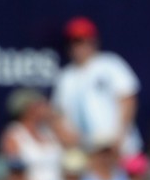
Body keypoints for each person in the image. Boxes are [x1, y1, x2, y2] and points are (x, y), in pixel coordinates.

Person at [51, 17, 142, 156]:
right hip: (86, 152)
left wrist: (120, 137)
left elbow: (128, 99)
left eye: (82, 41)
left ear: (93, 41)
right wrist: (69, 140)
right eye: (73, 42)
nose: (78, 47)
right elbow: (58, 114)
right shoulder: (66, 77)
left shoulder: (110, 64)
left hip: (120, 148)